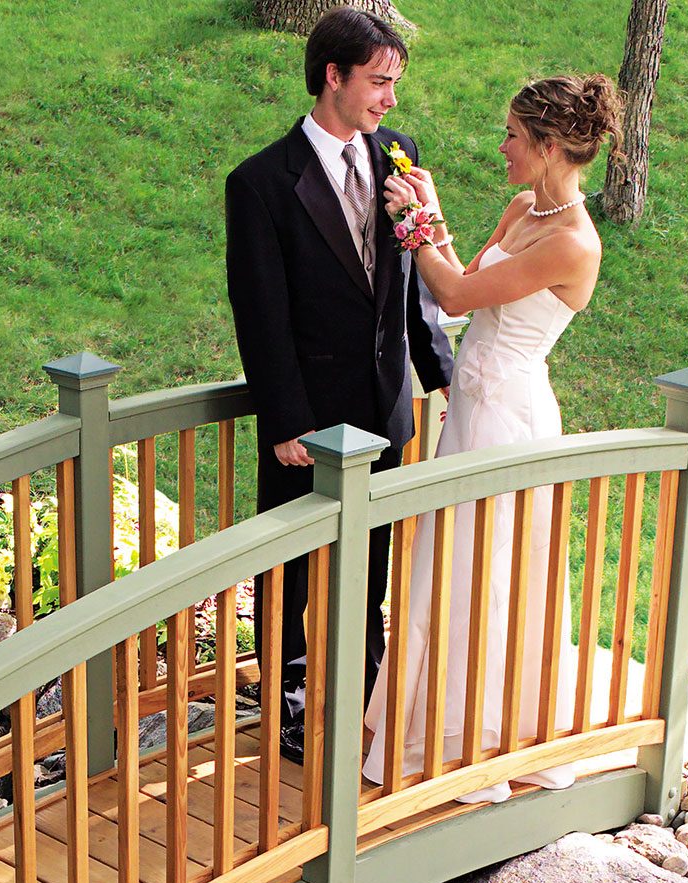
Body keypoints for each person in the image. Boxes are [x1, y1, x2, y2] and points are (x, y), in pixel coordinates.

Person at [362, 73, 623, 803]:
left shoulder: (574, 244)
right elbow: (465, 277)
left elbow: (451, 293)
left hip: (510, 419)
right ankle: (434, 728)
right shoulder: (520, 208)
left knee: (493, 574)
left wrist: (415, 220)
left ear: (545, 147)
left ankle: (481, 739)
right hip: (471, 413)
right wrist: (433, 215)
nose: (502, 146)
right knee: (450, 563)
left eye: (513, 134)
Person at [225, 5, 455, 763]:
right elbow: (261, 313)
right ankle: (287, 705)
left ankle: (359, 701)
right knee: (291, 570)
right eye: (379, 83)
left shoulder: (400, 154)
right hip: (309, 419)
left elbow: (408, 288)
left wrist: (440, 375)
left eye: (394, 84)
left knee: (373, 564)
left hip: (385, 407)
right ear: (333, 76)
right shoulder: (261, 182)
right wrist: (286, 421)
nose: (391, 100)